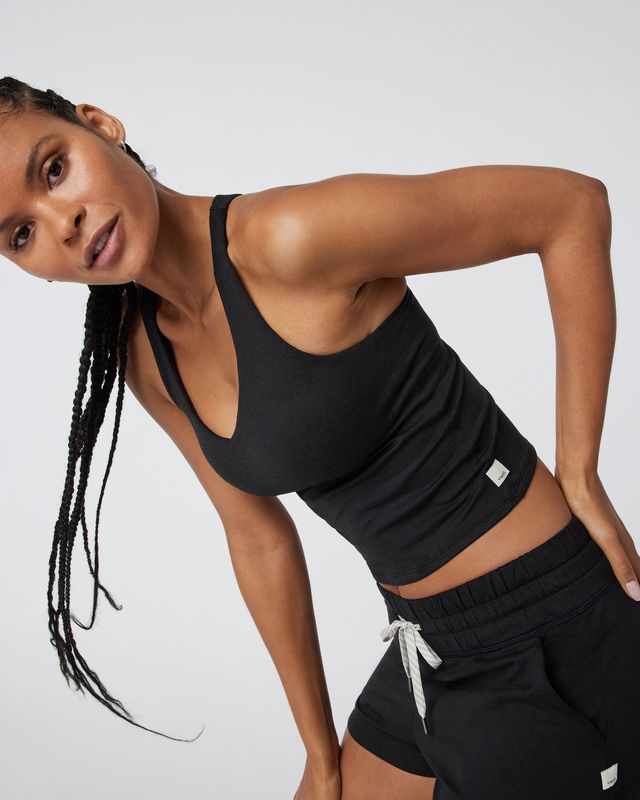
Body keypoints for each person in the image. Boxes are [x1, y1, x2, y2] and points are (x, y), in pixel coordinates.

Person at [1, 74, 638, 800]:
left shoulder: (288, 237)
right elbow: (256, 537)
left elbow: (569, 207)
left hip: (545, 627)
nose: (62, 224)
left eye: (55, 169)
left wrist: (579, 469)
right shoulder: (146, 352)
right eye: (20, 234)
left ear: (100, 124)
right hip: (426, 645)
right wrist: (318, 750)